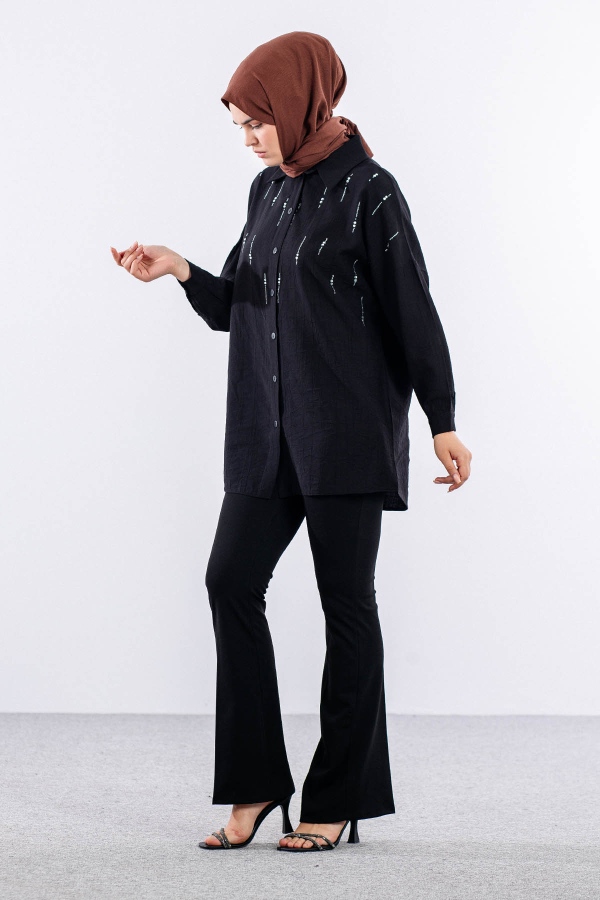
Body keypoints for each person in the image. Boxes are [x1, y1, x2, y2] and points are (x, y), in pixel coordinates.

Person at [110, 31, 472, 853]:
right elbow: (236, 304)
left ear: (300, 103)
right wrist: (178, 269)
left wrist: (442, 418)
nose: (248, 139)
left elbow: (414, 311)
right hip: (264, 438)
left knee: (347, 608)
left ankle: (337, 796)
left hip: (345, 437)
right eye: (239, 125)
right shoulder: (267, 193)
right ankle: (255, 784)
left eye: (256, 121)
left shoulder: (371, 192)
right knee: (229, 581)